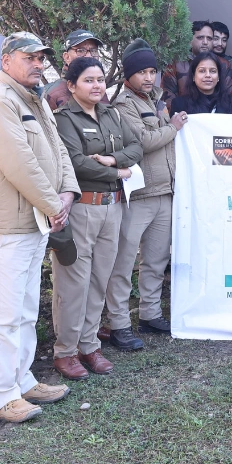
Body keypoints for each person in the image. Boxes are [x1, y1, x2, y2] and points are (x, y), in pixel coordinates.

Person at [0, 32, 79, 422]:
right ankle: (3, 396)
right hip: (8, 227)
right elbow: (19, 163)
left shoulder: (34, 99)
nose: (38, 64)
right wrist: (54, 205)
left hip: (34, 223)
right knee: (5, 315)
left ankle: (22, 379)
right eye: (30, 57)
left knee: (25, 309)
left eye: (41, 58)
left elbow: (58, 150)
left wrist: (68, 191)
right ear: (7, 60)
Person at [52, 56, 144, 373]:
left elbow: (136, 147)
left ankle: (89, 346)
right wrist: (119, 172)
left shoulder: (111, 113)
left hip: (112, 207)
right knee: (74, 283)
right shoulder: (65, 119)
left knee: (99, 281)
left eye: (100, 80)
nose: (96, 86)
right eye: (88, 80)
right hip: (82, 208)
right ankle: (65, 351)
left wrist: (112, 160)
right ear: (71, 85)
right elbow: (76, 162)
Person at [103, 39, 187, 343]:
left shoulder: (156, 99)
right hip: (137, 196)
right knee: (124, 263)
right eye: (142, 72)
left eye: (152, 71)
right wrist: (173, 127)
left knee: (155, 261)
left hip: (164, 192)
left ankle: (150, 315)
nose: (149, 77)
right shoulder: (124, 104)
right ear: (129, 74)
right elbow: (142, 142)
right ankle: (119, 323)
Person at [45, 30, 103, 111]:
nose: (89, 56)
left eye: (93, 51)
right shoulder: (53, 94)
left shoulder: (99, 87)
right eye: (81, 51)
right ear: (67, 57)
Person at [171, 51, 232, 115]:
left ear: (218, 77)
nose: (208, 75)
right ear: (193, 76)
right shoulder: (179, 104)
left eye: (213, 71)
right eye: (202, 71)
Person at [162, 20, 220, 98]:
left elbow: (228, 98)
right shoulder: (175, 64)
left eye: (209, 38)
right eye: (200, 37)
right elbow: (167, 96)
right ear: (190, 40)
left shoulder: (223, 64)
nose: (205, 42)